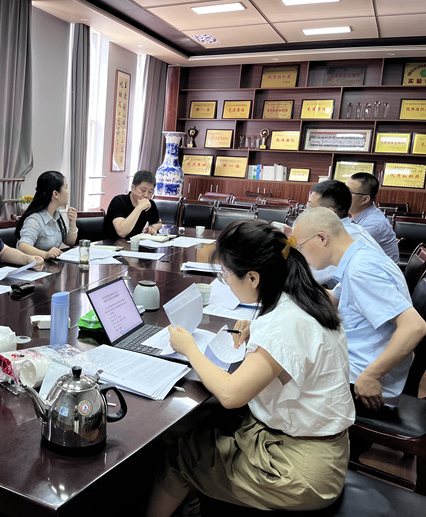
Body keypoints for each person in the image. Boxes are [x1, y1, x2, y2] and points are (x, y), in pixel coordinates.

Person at [146, 220, 354, 516]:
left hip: (299, 470)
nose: (226, 282)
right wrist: (257, 328)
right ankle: (192, 499)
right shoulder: (309, 297)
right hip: (322, 450)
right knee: (204, 427)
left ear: (253, 277)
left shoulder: (283, 323)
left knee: (182, 454)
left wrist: (189, 348)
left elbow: (231, 394)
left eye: (227, 275)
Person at [292, 207, 426, 414]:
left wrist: (371, 375)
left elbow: (415, 326)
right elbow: (333, 298)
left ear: (321, 238)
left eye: (300, 247)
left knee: (277, 376)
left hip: (363, 384)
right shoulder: (359, 256)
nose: (301, 255)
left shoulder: (361, 270)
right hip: (355, 363)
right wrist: (290, 285)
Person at [305, 179, 382, 286]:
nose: (305, 212)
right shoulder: (353, 229)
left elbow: (308, 277)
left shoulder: (339, 238)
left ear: (329, 212)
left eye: (310, 207)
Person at [16, 171, 78, 260]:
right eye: (65, 188)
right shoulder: (34, 220)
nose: (67, 193)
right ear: (55, 194)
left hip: (50, 265)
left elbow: (70, 242)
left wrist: (72, 223)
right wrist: (45, 254)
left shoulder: (57, 215)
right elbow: (23, 246)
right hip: (35, 265)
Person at [346, 172, 399, 263]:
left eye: (349, 192)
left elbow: (344, 251)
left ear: (365, 199)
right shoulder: (357, 216)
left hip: (377, 271)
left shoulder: (373, 224)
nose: (342, 195)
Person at [103, 170, 162, 239]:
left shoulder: (149, 204)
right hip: (112, 243)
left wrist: (152, 227)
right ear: (133, 188)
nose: (146, 195)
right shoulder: (119, 201)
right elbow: (122, 232)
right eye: (143, 190)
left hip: (134, 243)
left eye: (150, 192)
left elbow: (158, 223)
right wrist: (139, 208)